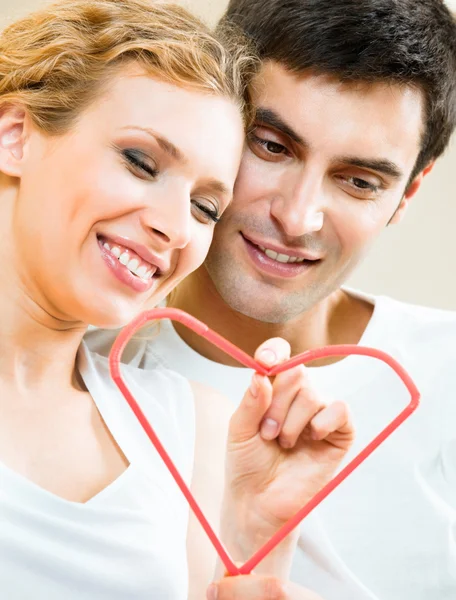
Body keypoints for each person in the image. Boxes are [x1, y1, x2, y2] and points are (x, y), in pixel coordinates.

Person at [88, 0, 456, 598]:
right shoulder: (76, 369)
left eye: (359, 181)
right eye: (271, 146)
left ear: (408, 194)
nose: (295, 216)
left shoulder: (445, 378)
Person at [0, 1, 356, 599]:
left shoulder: (190, 427)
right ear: (15, 137)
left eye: (205, 207)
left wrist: (251, 542)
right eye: (141, 162)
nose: (176, 228)